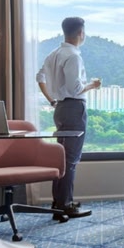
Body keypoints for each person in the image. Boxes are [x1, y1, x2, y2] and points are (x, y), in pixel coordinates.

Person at [36, 17, 101, 218]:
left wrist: (51, 100)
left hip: (61, 109)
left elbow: (40, 77)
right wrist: (93, 85)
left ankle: (59, 201)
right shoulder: (73, 56)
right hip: (74, 108)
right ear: (81, 33)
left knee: (62, 158)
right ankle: (65, 205)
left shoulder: (54, 54)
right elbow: (75, 89)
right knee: (70, 159)